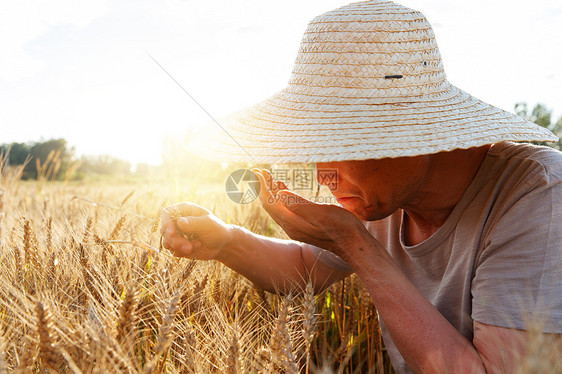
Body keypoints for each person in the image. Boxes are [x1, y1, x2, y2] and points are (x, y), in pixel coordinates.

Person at [161, 1, 562, 372]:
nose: (321, 174)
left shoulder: (538, 197)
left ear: (414, 134)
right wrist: (228, 241)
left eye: (343, 144)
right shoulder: (384, 197)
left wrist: (357, 247)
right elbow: (306, 268)